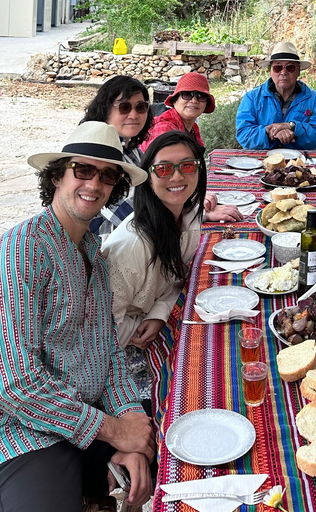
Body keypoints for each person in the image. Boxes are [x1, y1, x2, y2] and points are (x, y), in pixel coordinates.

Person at [0, 122, 156, 511]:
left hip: (80, 418)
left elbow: (108, 353)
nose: (94, 183)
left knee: (171, 445)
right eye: (83, 170)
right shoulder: (19, 252)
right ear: (57, 175)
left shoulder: (92, 249)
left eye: (107, 175)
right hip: (13, 435)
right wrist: (114, 430)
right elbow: (9, 384)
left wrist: (133, 434)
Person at [102, 131, 206, 402]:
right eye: (163, 169)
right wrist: (142, 323)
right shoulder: (133, 246)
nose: (176, 177)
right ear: (148, 178)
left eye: (187, 166)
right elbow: (104, 328)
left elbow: (176, 278)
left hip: (145, 319)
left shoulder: (187, 216)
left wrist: (160, 313)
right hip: (112, 353)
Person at [140, 72, 241, 224]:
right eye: (187, 95)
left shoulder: (192, 127)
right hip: (154, 211)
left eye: (200, 96)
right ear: (174, 100)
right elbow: (164, 181)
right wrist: (199, 210)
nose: (194, 100)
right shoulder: (164, 129)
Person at [81, 76, 154, 238]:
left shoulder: (131, 148)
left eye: (141, 107)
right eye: (124, 107)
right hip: (105, 242)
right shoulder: (99, 152)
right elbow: (127, 212)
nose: (134, 115)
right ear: (105, 110)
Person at [235, 41, 316, 150]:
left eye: (290, 67)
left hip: (299, 162)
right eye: (278, 67)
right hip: (261, 161)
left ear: (298, 71)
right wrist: (270, 133)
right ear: (270, 71)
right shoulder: (252, 98)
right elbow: (243, 134)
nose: (283, 72)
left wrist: (292, 127)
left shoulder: (314, 99)